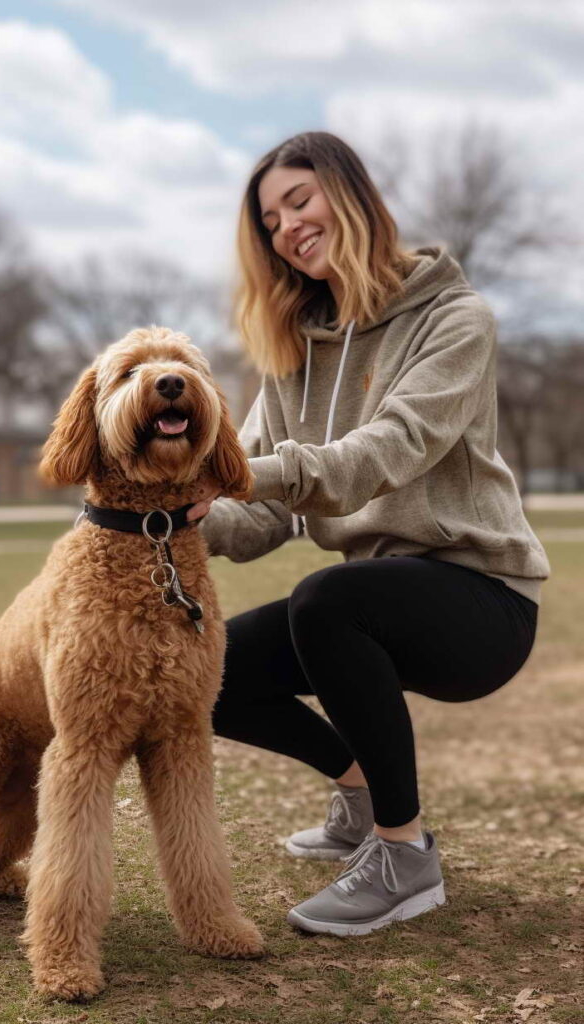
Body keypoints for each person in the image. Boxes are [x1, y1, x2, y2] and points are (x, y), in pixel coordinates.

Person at [188, 132, 549, 936]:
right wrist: (180, 517)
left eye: (298, 200)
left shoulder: (457, 319)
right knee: (204, 668)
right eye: (269, 220)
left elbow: (378, 455)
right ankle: (359, 796)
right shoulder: (293, 349)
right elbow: (257, 513)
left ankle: (404, 857)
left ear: (347, 194)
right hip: (366, 601)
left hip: (479, 599)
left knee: (326, 599)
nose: (286, 226)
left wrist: (231, 474)